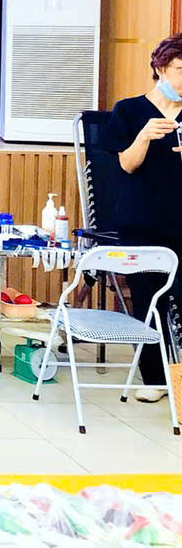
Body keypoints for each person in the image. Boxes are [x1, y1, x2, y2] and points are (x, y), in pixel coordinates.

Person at [103, 33, 182, 403]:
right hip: (142, 221)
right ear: (161, 69)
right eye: (181, 69)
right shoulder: (129, 111)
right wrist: (145, 137)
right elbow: (127, 165)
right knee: (150, 300)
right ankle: (156, 379)